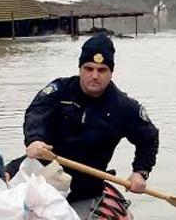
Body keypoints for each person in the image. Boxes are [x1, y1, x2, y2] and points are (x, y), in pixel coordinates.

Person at [13, 34, 159, 203]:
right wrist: (34, 139)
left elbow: (149, 138)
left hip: (83, 189)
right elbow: (36, 113)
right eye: (89, 69)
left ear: (111, 72)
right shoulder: (59, 90)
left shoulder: (124, 107)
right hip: (41, 174)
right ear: (80, 69)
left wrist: (140, 172)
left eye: (102, 70)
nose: (95, 76)